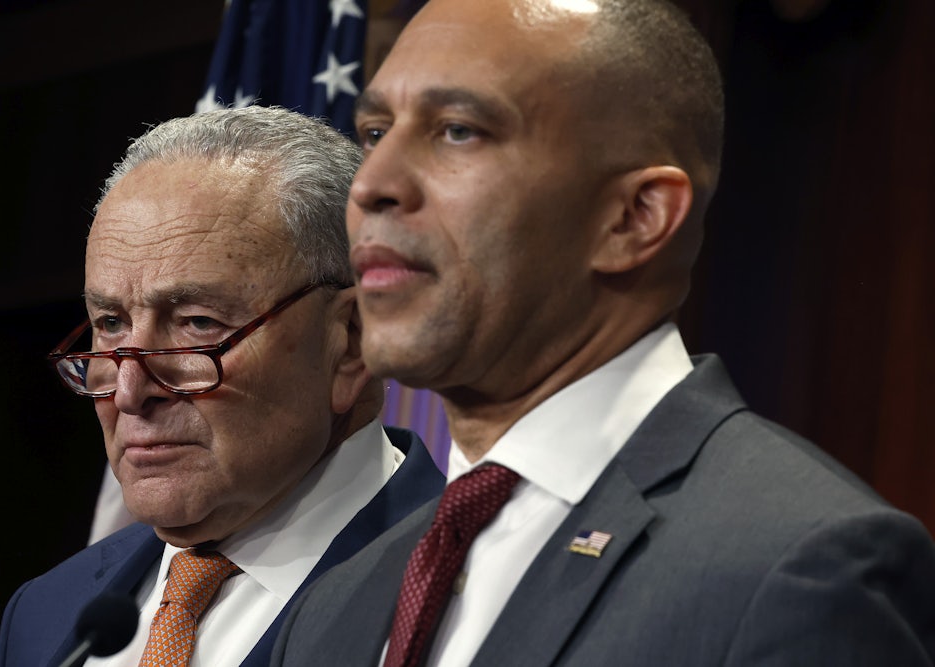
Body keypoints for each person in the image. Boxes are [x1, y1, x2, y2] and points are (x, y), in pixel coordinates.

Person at [269, 1, 935, 665]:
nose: (372, 185)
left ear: (634, 217)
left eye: (459, 130)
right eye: (376, 132)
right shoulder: (336, 602)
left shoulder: (799, 566)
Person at [0, 105, 444, 666]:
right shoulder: (46, 611)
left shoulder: (475, 589)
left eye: (198, 323)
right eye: (110, 324)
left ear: (352, 341)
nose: (131, 391)